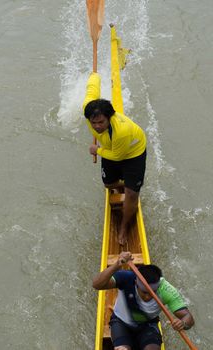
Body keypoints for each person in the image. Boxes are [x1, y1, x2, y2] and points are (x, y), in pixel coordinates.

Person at [83, 73, 147, 245]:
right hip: (110, 148)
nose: (97, 126)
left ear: (109, 117)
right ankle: (127, 185)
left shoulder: (122, 130)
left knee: (132, 194)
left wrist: (97, 150)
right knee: (109, 185)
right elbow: (92, 89)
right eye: (93, 123)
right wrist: (94, 76)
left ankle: (124, 227)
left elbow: (118, 156)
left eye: (101, 122)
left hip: (133, 151)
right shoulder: (87, 111)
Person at [93, 251, 195, 350]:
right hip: (121, 322)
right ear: (136, 283)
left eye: (152, 293)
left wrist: (183, 323)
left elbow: (188, 317)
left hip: (148, 325)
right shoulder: (127, 277)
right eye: (144, 292)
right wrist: (116, 265)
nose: (147, 297)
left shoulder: (166, 290)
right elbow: (97, 285)